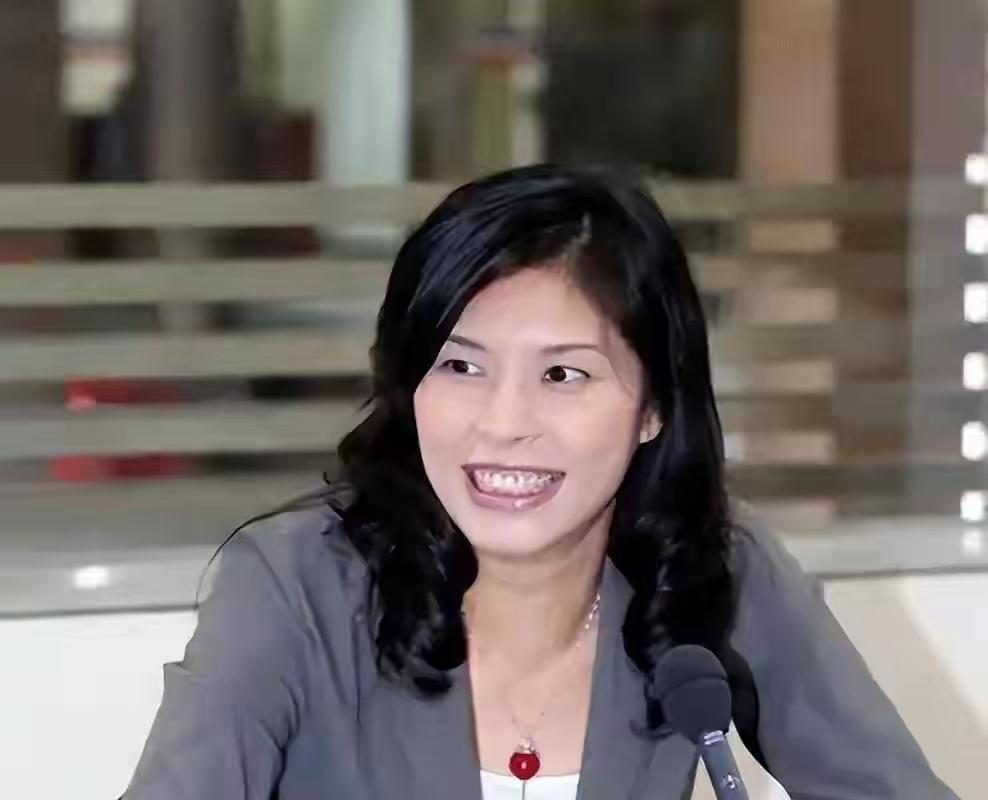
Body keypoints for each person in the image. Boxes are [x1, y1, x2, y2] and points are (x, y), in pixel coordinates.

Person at [123, 164, 957, 800]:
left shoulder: (709, 569)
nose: (504, 423)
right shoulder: (296, 585)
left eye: (563, 375)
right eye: (460, 366)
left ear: (653, 407)